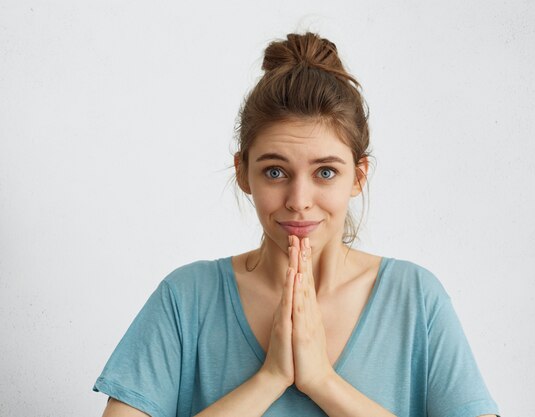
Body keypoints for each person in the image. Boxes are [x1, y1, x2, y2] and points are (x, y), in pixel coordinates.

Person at [94, 32, 500, 417]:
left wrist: (323, 382)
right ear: (243, 172)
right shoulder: (185, 299)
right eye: (275, 172)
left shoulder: (416, 299)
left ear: (358, 177)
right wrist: (269, 379)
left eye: (325, 172)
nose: (299, 201)